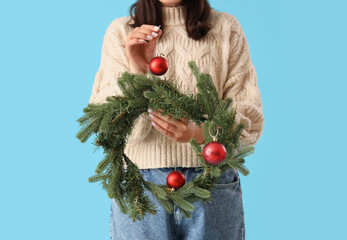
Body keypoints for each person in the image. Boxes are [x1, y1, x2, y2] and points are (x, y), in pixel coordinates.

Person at [88, 0, 265, 239]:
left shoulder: (226, 28)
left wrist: (200, 133)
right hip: (141, 187)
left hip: (211, 183)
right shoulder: (122, 33)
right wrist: (138, 71)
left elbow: (249, 115)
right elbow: (110, 126)